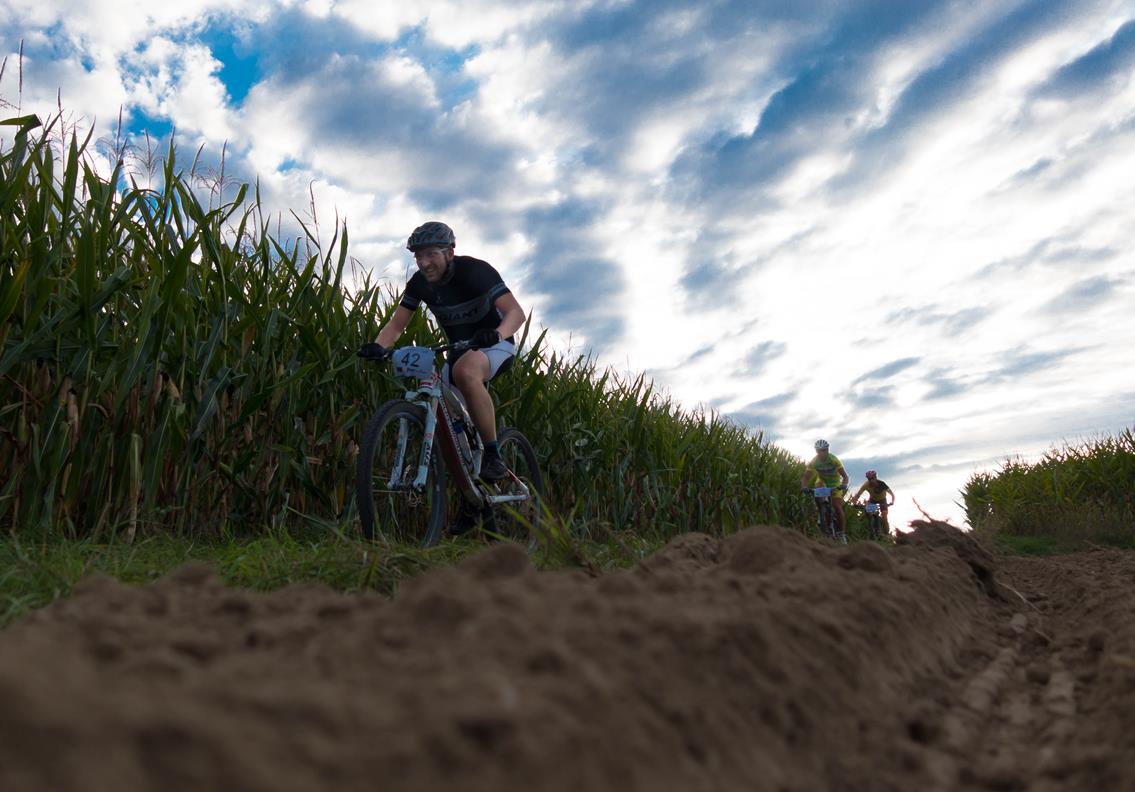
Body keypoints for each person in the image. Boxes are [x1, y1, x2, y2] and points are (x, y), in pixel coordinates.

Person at [358, 221, 526, 530]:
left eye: (430, 254)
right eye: (418, 256)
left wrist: (497, 333)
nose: (424, 263)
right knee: (446, 429)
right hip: (458, 350)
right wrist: (379, 346)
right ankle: (472, 499)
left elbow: (516, 313)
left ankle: (493, 455)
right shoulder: (419, 283)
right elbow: (396, 325)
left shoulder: (475, 272)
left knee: (465, 371)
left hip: (495, 345)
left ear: (449, 252)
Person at [800, 439, 850, 540]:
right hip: (822, 482)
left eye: (824, 450)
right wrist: (804, 486)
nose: (821, 453)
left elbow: (845, 476)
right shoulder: (814, 461)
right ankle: (821, 512)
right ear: (816, 451)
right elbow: (806, 476)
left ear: (827, 450)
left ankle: (842, 533)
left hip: (835, 483)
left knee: (837, 506)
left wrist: (844, 485)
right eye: (819, 451)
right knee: (817, 490)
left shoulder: (833, 460)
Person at [851, 470, 895, 534]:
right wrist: (854, 502)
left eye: (872, 478)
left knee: (884, 515)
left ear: (876, 478)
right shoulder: (866, 485)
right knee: (869, 513)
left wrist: (892, 502)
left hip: (882, 499)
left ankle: (886, 533)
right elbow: (858, 494)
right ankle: (871, 530)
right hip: (873, 499)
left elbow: (892, 494)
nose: (871, 480)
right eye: (869, 479)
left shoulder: (882, 484)